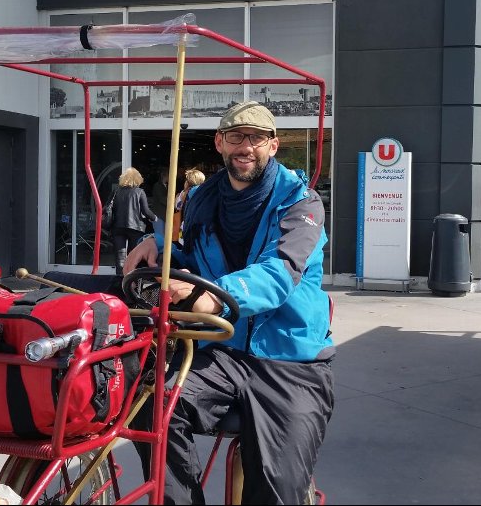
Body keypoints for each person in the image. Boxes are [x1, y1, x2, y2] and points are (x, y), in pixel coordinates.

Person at [124, 101, 334, 505]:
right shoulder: (201, 199)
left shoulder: (301, 202)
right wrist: (158, 243)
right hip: (222, 351)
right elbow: (190, 258)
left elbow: (280, 273)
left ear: (273, 146)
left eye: (256, 138)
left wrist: (213, 299)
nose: (245, 146)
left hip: (291, 360)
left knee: (278, 489)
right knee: (152, 405)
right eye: (236, 136)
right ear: (220, 143)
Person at [109, 167, 158, 275]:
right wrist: (154, 218)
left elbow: (106, 208)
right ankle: (130, 281)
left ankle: (119, 280)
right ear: (137, 179)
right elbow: (146, 211)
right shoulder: (140, 192)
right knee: (133, 256)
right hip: (135, 227)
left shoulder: (116, 191)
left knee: (120, 257)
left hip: (118, 226)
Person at [171, 168, 206, 242]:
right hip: (197, 227)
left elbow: (177, 206)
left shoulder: (182, 193)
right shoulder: (202, 192)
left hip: (184, 226)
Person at [149, 167, 171, 231]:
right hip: (159, 215)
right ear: (164, 175)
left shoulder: (168, 185)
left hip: (165, 215)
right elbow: (162, 199)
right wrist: (173, 203)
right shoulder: (157, 185)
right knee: (160, 234)